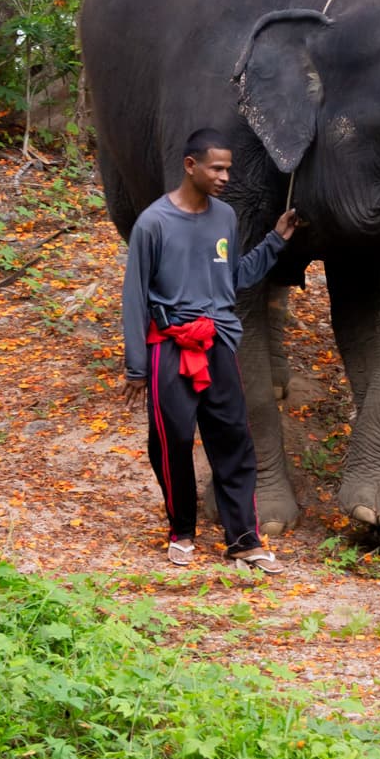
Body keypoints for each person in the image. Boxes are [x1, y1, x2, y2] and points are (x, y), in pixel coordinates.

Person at [121, 128, 300, 572]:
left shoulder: (225, 217)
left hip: (217, 341)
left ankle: (244, 540)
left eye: (228, 168)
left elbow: (232, 277)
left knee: (234, 441)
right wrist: (136, 367)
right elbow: (135, 296)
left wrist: (275, 241)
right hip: (170, 345)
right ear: (190, 166)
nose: (225, 176)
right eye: (217, 168)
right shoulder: (154, 223)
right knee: (173, 441)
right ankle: (181, 531)